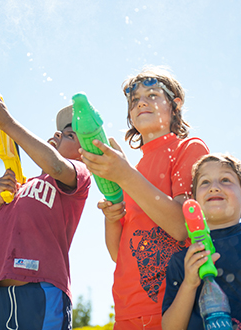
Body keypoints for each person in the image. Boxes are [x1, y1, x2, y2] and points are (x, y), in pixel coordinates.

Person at [79, 66, 209, 329]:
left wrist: (124, 176)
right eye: (134, 100)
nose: (141, 103)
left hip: (175, 307)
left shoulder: (188, 148)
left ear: (175, 105)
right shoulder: (131, 171)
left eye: (152, 94)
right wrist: (112, 218)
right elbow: (118, 253)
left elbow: (181, 227)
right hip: (126, 311)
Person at [0, 96, 91, 330]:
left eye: (69, 135)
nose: (57, 134)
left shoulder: (79, 175)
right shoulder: (19, 188)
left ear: (84, 153)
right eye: (58, 131)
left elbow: (55, 166)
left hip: (42, 291)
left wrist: (7, 123)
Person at [161, 153, 241, 330]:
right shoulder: (181, 261)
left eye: (225, 180)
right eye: (205, 182)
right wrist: (189, 283)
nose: (214, 187)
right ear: (194, 202)